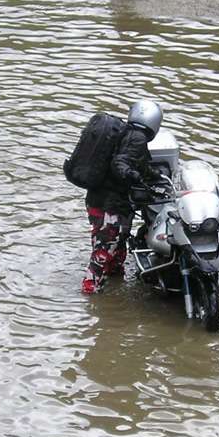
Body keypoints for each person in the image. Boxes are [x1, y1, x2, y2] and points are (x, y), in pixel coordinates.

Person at [83, 101, 163, 294]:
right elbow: (121, 164)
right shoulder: (137, 139)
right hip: (110, 205)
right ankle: (90, 291)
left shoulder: (128, 134)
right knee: (105, 250)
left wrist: (156, 177)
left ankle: (115, 292)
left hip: (99, 200)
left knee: (117, 247)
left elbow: (139, 164)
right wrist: (132, 175)